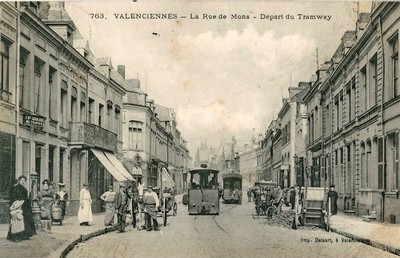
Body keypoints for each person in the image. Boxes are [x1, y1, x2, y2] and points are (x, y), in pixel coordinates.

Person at [7, 175, 37, 242]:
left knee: (26, 219)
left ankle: (25, 235)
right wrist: (18, 204)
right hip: (17, 206)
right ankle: (16, 236)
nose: (23, 182)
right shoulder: (15, 189)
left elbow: (25, 198)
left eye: (24, 181)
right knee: (17, 221)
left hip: (24, 207)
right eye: (21, 180)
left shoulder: (25, 190)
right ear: (19, 181)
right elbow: (13, 198)